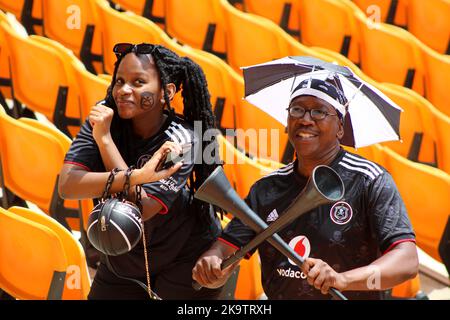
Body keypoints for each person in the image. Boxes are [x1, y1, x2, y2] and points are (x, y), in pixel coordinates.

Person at [192, 76, 419, 300]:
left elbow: (407, 262)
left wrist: (342, 279)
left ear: (340, 128)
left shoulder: (370, 180)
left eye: (319, 111)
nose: (305, 119)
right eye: (297, 110)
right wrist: (213, 263)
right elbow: (225, 249)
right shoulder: (267, 188)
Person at [59, 43, 223, 300]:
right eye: (120, 80)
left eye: (138, 82)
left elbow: (141, 209)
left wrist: (105, 143)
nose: (124, 90)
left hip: (184, 257)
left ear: (165, 92)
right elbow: (68, 185)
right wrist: (135, 175)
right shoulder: (104, 119)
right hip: (124, 254)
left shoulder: (184, 140)